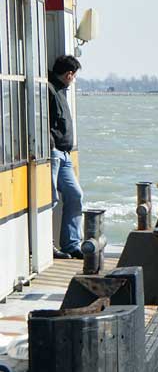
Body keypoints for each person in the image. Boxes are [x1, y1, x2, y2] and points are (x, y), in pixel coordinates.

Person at [48, 55, 84, 259]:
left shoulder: (60, 90)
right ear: (69, 74)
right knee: (50, 199)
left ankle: (71, 244)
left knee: (75, 195)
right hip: (54, 153)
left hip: (65, 155)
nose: (73, 79)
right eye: (73, 75)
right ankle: (47, 245)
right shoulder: (51, 91)